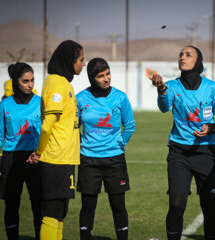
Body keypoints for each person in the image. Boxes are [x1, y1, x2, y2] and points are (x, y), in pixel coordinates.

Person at [149, 45, 215, 240]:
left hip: (206, 153)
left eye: (188, 55)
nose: (182, 57)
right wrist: (161, 90)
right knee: (176, 205)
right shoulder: (172, 86)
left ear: (198, 61)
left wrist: (211, 128)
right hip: (179, 153)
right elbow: (163, 108)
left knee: (209, 206)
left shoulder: (211, 88)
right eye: (180, 55)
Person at [27, 40, 85, 240]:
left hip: (65, 158)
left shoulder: (63, 83)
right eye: (81, 59)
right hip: (55, 158)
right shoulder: (56, 83)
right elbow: (47, 125)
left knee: (60, 211)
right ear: (70, 60)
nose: (83, 64)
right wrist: (40, 151)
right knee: (52, 211)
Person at [76, 58, 135, 240]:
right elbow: (73, 128)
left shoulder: (120, 97)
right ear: (92, 78)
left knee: (118, 206)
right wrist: (81, 144)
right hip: (88, 160)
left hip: (114, 160)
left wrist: (119, 144)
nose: (106, 78)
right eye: (101, 76)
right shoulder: (80, 99)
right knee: (88, 206)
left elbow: (130, 126)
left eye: (108, 74)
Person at [0, 62, 42, 239]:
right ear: (15, 82)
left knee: (38, 204)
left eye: (32, 80)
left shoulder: (40, 103)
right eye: (25, 81)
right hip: (11, 159)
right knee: (12, 205)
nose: (30, 85)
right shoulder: (5, 105)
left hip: (35, 158)